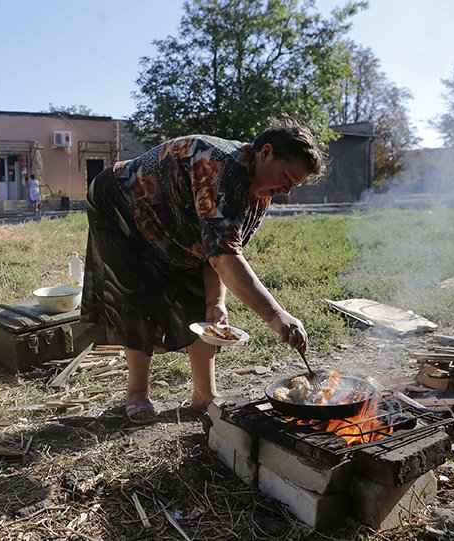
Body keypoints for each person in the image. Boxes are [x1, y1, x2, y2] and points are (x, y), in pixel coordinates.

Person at [79, 116, 328, 424]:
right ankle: (138, 393)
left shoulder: (260, 193)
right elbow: (223, 257)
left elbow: (216, 251)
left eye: (294, 185)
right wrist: (278, 317)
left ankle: (204, 396)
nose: (287, 191)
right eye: (287, 177)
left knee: (202, 306)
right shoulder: (219, 166)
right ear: (265, 152)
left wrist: (216, 302)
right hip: (119, 205)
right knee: (136, 295)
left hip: (170, 222)